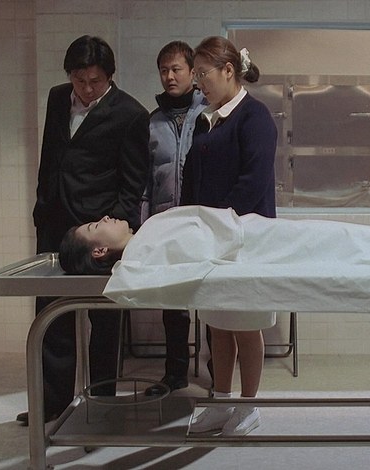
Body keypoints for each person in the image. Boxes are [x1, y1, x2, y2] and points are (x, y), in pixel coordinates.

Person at [25, 35, 150, 425]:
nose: (87, 88)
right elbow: (51, 156)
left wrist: (117, 237)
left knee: (105, 321)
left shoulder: (130, 113)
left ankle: (102, 405)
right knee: (51, 314)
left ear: (109, 76)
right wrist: (42, 206)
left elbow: (133, 183)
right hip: (55, 223)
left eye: (95, 80)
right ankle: (53, 403)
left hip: (99, 231)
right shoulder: (57, 98)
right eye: (79, 80)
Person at [180, 36, 277, 436]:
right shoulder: (208, 118)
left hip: (245, 238)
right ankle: (221, 401)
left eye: (203, 74)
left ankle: (249, 406)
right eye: (196, 75)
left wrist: (217, 224)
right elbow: (192, 177)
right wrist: (189, 221)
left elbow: (253, 181)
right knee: (218, 322)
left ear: (228, 71)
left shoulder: (255, 116)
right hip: (210, 238)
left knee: (245, 323)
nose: (198, 83)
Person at [140, 41, 207, 397]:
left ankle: (218, 373)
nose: (169, 76)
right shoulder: (152, 122)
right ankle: (175, 374)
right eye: (164, 70)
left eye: (176, 69)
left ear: (193, 72)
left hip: (204, 222)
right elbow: (145, 181)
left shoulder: (209, 113)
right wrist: (144, 225)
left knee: (212, 298)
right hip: (166, 223)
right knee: (173, 305)